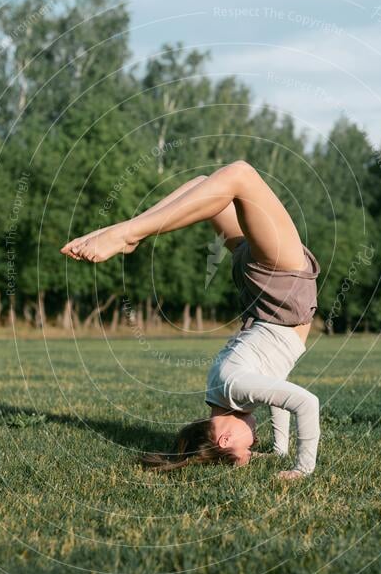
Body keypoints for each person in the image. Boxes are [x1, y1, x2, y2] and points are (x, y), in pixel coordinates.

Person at [61, 160, 321, 479]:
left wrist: (302, 468)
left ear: (225, 439)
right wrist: (280, 449)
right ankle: (133, 233)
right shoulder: (220, 389)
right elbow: (276, 387)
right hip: (260, 289)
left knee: (240, 175)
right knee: (204, 183)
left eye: (247, 449)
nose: (253, 445)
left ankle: (129, 233)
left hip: (281, 286)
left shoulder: (236, 386)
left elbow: (305, 403)